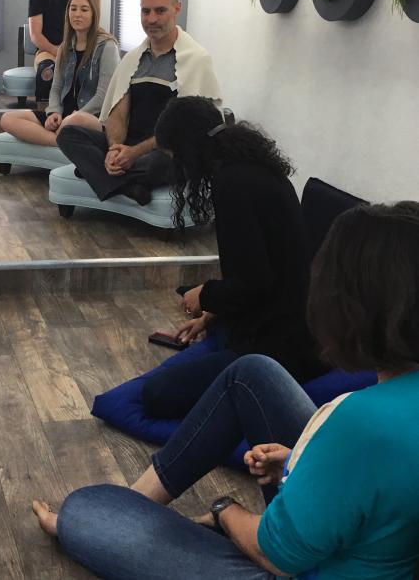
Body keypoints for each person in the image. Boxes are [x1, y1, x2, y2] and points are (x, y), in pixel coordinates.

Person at [33, 200, 419, 579]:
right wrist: (299, 460)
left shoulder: (358, 422)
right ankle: (138, 502)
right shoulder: (378, 419)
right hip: (370, 531)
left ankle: (117, 515)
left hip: (293, 566)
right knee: (251, 372)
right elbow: (385, 479)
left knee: (88, 508)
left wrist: (224, 510)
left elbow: (277, 555)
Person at [140, 97, 325, 420]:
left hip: (284, 346)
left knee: (156, 394)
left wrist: (205, 295)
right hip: (294, 321)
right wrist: (211, 316)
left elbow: (253, 284)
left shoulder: (233, 185)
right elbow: (265, 272)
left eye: (175, 158)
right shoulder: (256, 171)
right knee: (213, 332)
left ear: (188, 149)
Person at [56, 0, 222, 206]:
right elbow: (117, 113)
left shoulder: (197, 59)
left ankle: (95, 174)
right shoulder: (133, 59)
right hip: (129, 148)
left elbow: (185, 130)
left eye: (160, 11)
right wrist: (115, 149)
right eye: (146, 11)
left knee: (159, 165)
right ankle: (129, 186)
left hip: (166, 150)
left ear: (177, 8)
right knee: (69, 134)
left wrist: (133, 154)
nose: (152, 19)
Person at [0, 0, 119, 146]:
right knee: (7, 119)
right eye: (73, 8)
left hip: (89, 118)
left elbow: (103, 97)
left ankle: (56, 136)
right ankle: (58, 141)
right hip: (64, 116)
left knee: (74, 120)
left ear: (94, 13)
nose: (77, 14)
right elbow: (56, 87)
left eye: (84, 9)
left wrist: (71, 119)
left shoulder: (107, 47)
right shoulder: (65, 47)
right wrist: (54, 112)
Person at [28, 0, 91, 102]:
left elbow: (93, 27)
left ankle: (78, 123)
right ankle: (44, 121)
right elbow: (35, 34)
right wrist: (58, 51)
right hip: (48, 52)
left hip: (82, 51)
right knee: (46, 72)